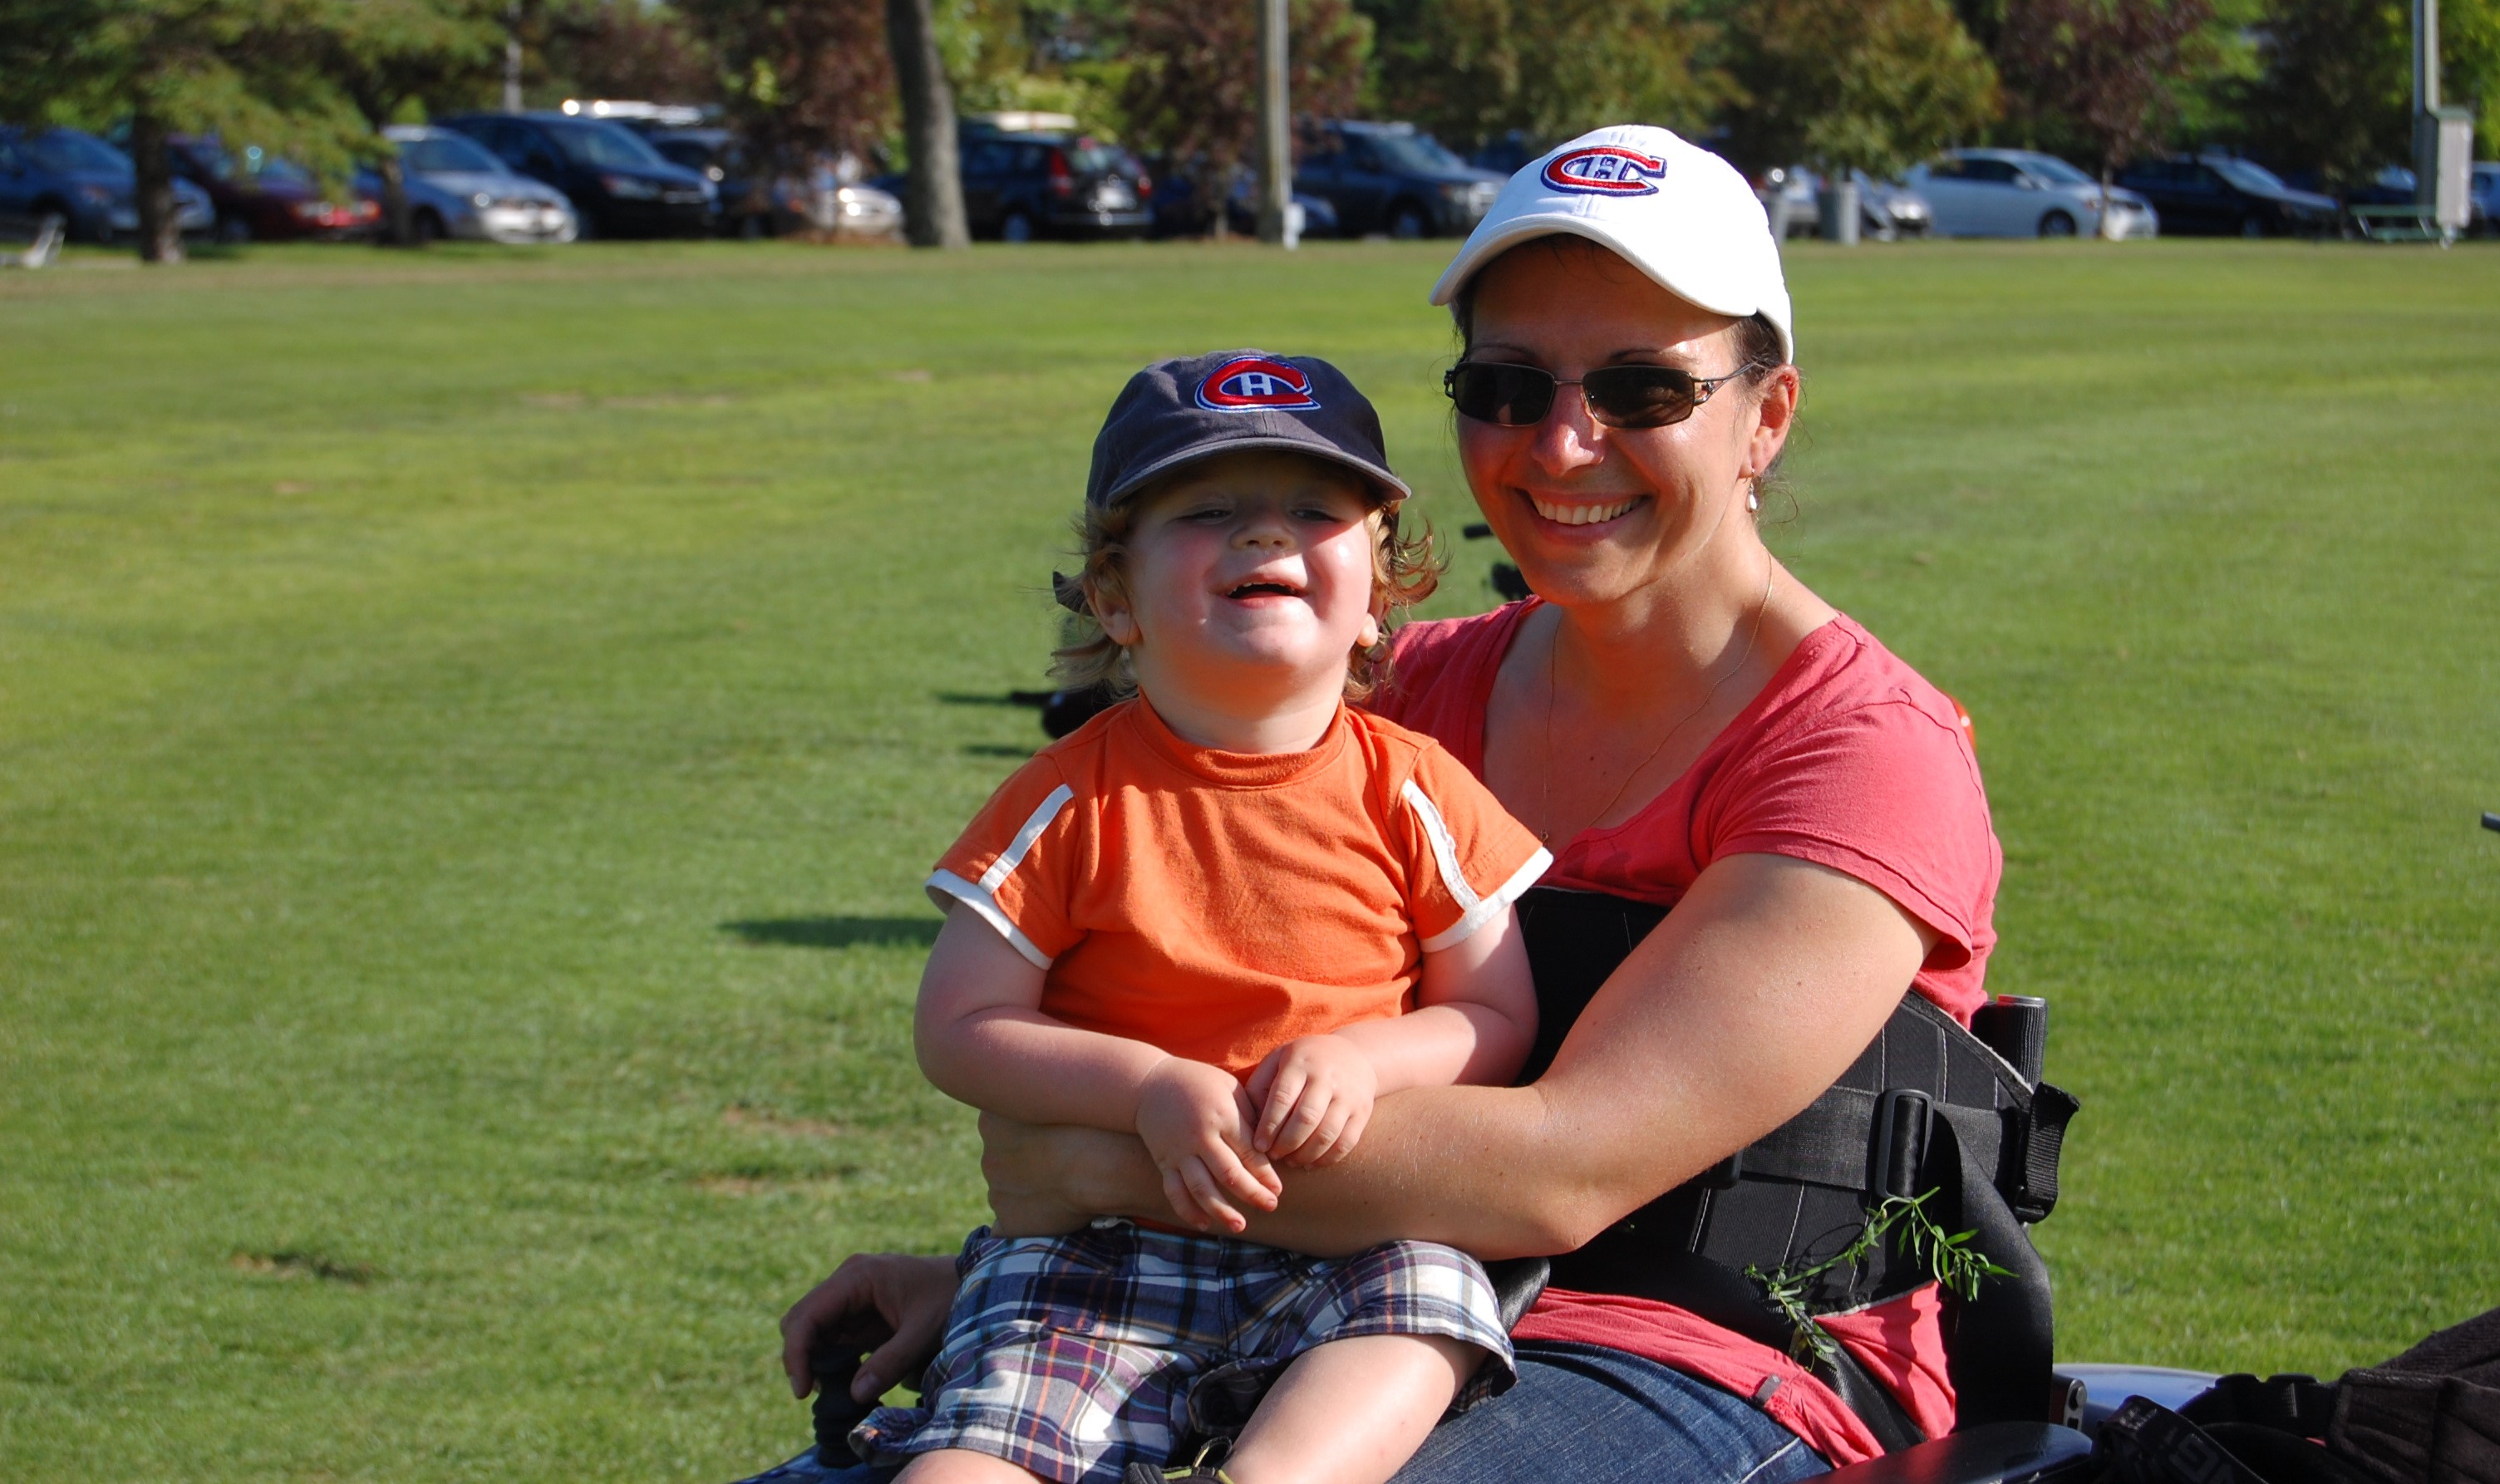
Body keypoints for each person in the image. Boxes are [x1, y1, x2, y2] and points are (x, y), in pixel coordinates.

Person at [763, 125, 2006, 1484]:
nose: (1565, 441)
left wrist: (1104, 1171)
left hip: (1705, 1353)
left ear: (1766, 416)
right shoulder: (1386, 701)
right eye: (1508, 384)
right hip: (1292, 1285)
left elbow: (1560, 1173)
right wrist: (1024, 1276)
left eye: (1646, 388)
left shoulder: (1859, 753)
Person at [846, 351, 1552, 1484]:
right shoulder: (1072, 795)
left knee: (1434, 1297)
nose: (1265, 538)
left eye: (1315, 512)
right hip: (1096, 1254)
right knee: (962, 1469)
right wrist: (1148, 1087)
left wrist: (1366, 1059)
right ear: (1116, 596)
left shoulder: (1415, 788)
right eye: (1210, 510)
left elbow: (1494, 1010)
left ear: (1380, 592)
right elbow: (961, 1025)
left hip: (1347, 1238)